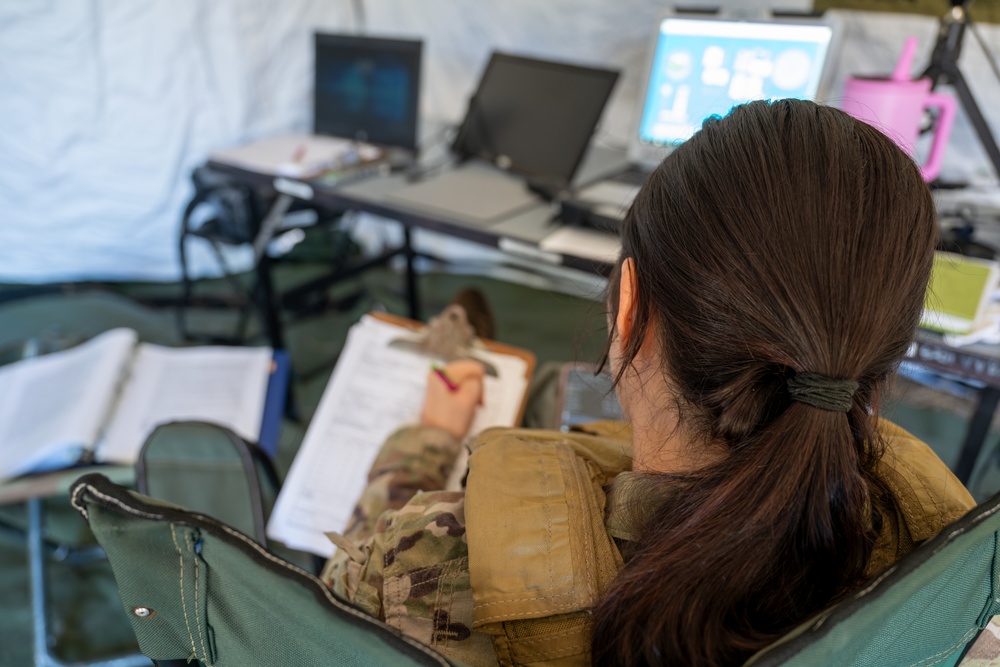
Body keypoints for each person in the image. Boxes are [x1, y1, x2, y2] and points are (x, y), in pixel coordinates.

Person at [320, 99, 976, 666]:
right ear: (881, 346)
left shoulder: (436, 556)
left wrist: (426, 437)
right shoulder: (944, 571)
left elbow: (331, 605)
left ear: (630, 305)